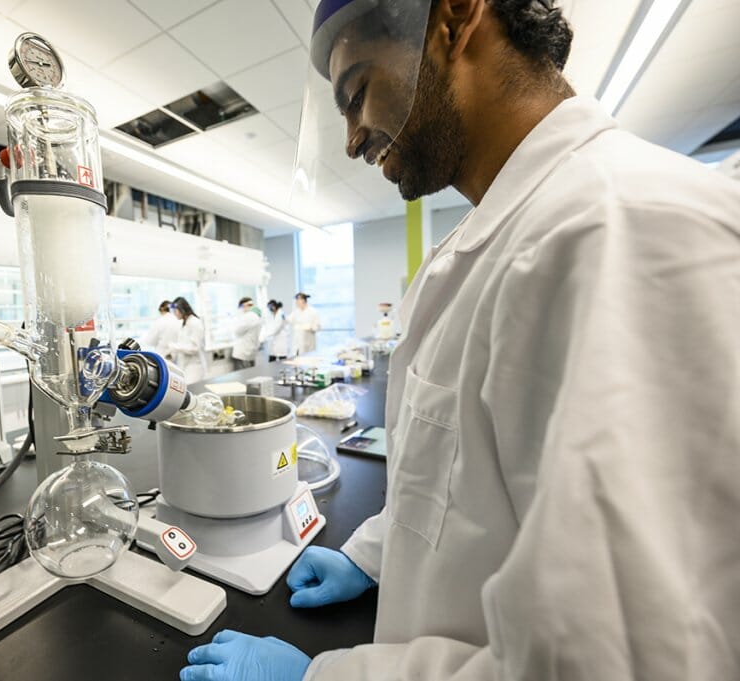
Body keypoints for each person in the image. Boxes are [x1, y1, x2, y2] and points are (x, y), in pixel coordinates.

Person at [181, 1, 740, 681]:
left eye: (357, 92)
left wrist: (317, 680)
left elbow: (616, 659)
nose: (354, 139)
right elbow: (458, 483)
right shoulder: (482, 246)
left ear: (454, 18)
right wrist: (373, 554)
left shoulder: (622, 229)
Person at [167, 296, 206, 385]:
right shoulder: (184, 324)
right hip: (184, 366)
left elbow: (194, 348)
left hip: (194, 368)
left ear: (182, 309)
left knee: (192, 392)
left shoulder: (195, 322)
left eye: (175, 311)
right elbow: (184, 344)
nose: (174, 313)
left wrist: (174, 347)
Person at [230, 297, 262, 371]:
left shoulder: (248, 317)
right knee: (250, 375)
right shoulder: (256, 316)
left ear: (244, 306)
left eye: (240, 308)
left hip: (243, 353)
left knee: (242, 377)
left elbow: (236, 331)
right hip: (250, 352)